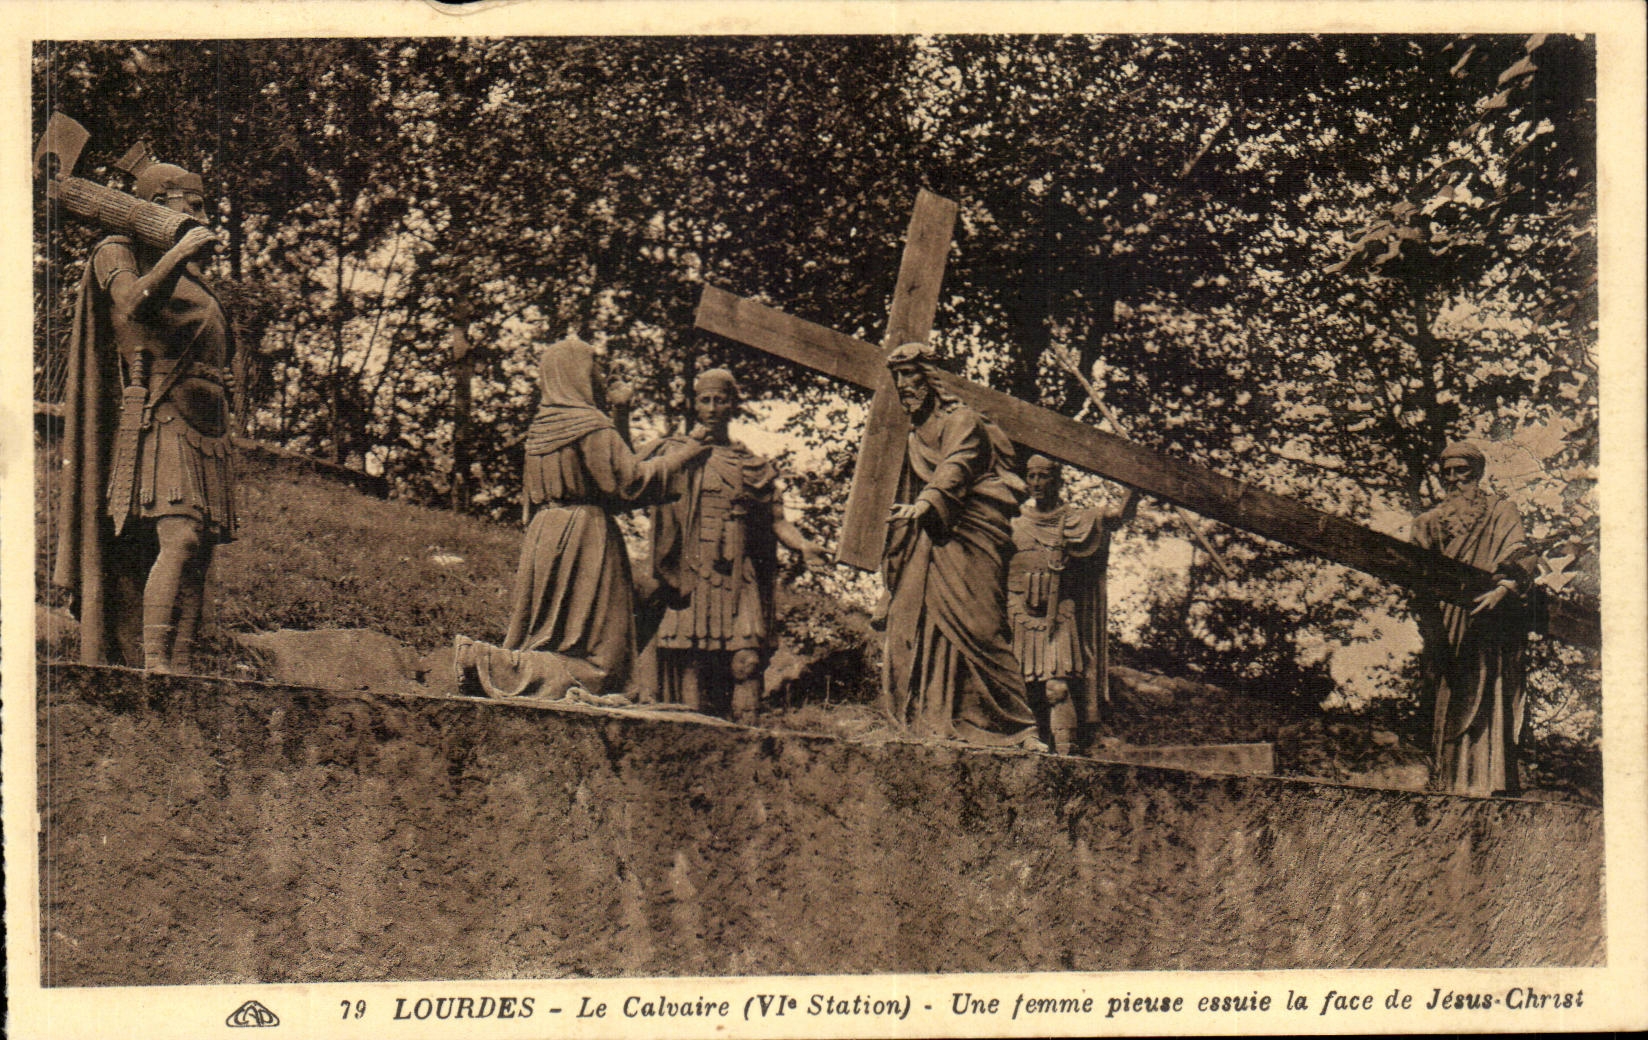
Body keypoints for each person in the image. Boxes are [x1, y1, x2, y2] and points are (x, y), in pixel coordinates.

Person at [54, 159, 235, 672]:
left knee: (199, 553)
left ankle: (181, 666)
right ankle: (153, 664)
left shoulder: (192, 277)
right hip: (163, 416)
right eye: (193, 205)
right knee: (180, 538)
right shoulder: (119, 251)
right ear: (160, 206)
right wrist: (178, 251)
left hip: (209, 425)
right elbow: (133, 305)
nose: (203, 214)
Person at [454, 337, 709, 700]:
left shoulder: (544, 428)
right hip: (585, 537)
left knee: (641, 600)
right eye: (596, 368)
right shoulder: (589, 425)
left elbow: (605, 475)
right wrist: (684, 457)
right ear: (578, 372)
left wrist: (620, 413)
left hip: (546, 534)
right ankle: (491, 664)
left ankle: (505, 664)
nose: (601, 376)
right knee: (599, 662)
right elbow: (628, 482)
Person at [875, 341, 1041, 748]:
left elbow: (958, 464)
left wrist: (926, 503)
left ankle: (1017, 728)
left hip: (970, 533)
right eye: (898, 377)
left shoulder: (961, 418)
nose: (904, 385)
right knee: (919, 625)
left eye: (911, 374)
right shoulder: (913, 434)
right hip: (927, 540)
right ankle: (934, 722)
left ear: (931, 377)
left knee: (981, 626)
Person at [641, 369, 828, 721]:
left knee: (747, 661)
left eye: (721, 399)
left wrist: (802, 546)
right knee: (692, 662)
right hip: (692, 573)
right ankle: (693, 740)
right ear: (695, 405)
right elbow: (630, 473)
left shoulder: (751, 465)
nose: (713, 407)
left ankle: (751, 745)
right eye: (705, 400)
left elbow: (777, 521)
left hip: (737, 572)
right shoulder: (677, 454)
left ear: (733, 405)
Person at [1411, 441, 1539, 796]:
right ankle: (1448, 784)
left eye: (1461, 471)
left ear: (1478, 473)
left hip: (1490, 625)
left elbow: (1521, 554)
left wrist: (1503, 590)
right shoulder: (1428, 523)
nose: (1453, 479)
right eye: (1446, 473)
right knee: (1449, 698)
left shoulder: (1502, 512)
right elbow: (1414, 574)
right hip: (1447, 628)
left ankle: (1490, 782)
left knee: (1488, 699)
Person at [1007, 456, 1139, 754]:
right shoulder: (1012, 520)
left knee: (1058, 688)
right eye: (1031, 476)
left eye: (1043, 476)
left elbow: (1117, 515)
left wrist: (1137, 482)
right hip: (1017, 614)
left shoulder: (1074, 520)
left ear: (1058, 481)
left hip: (1057, 614)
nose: (1036, 483)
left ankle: (1066, 757)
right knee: (1018, 687)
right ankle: (1024, 749)